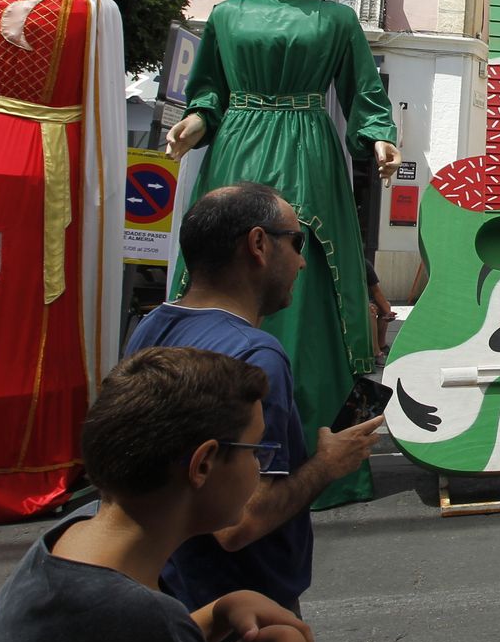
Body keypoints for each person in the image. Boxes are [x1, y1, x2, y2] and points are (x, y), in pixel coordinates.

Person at [165, 0, 399, 508]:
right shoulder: (227, 15)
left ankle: (309, 450)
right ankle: (208, 445)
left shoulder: (336, 20)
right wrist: (195, 123)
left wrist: (378, 138)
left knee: (311, 280)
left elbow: (364, 96)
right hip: (238, 143)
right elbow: (209, 90)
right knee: (223, 270)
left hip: (307, 147)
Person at [124, 183, 385, 611]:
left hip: (170, 584)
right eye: (297, 242)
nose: (302, 262)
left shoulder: (154, 325)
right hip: (242, 607)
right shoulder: (256, 357)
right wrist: (328, 463)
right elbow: (239, 522)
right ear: (259, 244)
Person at [0, 346, 313, 642]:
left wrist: (218, 611)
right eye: (255, 451)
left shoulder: (73, 534)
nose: (258, 466)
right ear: (203, 464)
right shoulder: (144, 620)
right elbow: (137, 630)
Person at [0, 0, 127, 528]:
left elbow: (102, 109)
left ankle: (36, 451)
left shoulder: (93, 11)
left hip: (53, 173)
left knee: (38, 310)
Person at [365, 258, 394, 364]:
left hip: (368, 300)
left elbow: (376, 291)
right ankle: (376, 352)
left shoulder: (365, 264)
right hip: (355, 303)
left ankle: (382, 345)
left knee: (386, 306)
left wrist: (388, 312)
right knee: (370, 310)